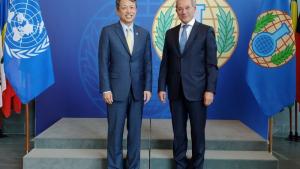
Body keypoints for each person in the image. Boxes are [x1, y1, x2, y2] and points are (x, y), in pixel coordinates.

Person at [157, 0, 218, 168]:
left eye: (187, 8)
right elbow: (165, 63)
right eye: (179, 9)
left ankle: (197, 165)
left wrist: (210, 90)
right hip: (175, 91)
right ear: (176, 11)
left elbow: (212, 65)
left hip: (198, 92)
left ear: (194, 9)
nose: (183, 11)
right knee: (178, 133)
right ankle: (180, 164)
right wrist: (161, 87)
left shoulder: (206, 32)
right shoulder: (170, 33)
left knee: (198, 133)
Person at [98, 0, 152, 168]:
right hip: (115, 91)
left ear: (136, 9)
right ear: (117, 10)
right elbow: (103, 62)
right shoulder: (108, 32)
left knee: (135, 134)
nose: (129, 11)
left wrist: (148, 87)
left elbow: (148, 63)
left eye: (132, 7)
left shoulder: (143, 33)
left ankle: (133, 166)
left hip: (137, 91)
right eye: (124, 7)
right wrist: (105, 88)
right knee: (115, 133)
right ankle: (114, 166)